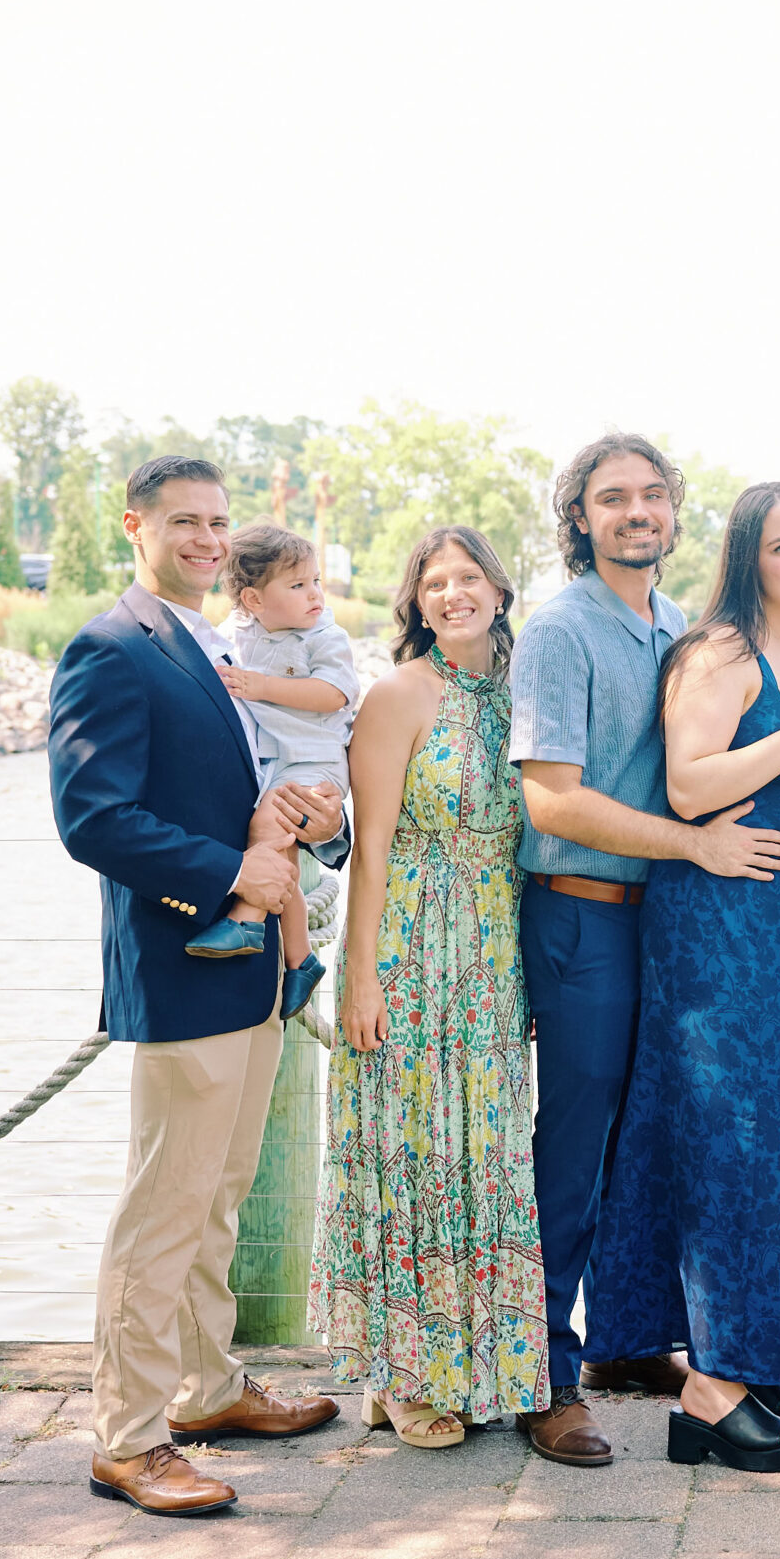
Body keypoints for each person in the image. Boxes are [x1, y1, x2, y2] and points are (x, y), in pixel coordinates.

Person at [48, 455, 343, 1518]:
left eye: (219, 522)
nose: (209, 539)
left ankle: (208, 1387)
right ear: (137, 525)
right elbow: (93, 816)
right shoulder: (110, 647)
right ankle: (126, 1439)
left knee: (216, 1198)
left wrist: (304, 819)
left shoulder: (210, 642)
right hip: (182, 967)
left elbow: (235, 783)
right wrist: (231, 872)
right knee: (163, 1210)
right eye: (186, 521)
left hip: (252, 971)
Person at [508, 434, 780, 1466]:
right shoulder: (558, 630)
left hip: (667, 925)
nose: (635, 511)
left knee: (653, 1141)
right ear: (578, 518)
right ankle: (542, 1378)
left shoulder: (679, 627)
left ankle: (625, 1344)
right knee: (573, 1152)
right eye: (610, 498)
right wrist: (693, 842)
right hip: (583, 915)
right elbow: (551, 796)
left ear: (675, 511)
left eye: (651, 495)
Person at [589, 483, 780, 1471]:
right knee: (727, 1137)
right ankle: (710, 1385)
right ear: (748, 559)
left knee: (769, 1133)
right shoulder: (721, 652)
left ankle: (749, 1363)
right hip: (716, 919)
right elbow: (690, 782)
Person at [307, 526, 549, 1449]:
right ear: (415, 600)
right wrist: (359, 976)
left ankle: (472, 1363)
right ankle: (402, 1373)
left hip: (494, 949)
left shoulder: (526, 689)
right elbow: (367, 852)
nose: (454, 593)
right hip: (410, 941)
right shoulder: (398, 694)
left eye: (469, 576)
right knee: (412, 1153)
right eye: (435, 582)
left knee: (480, 1156)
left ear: (498, 585)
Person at [185, 521, 357, 1022]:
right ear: (254, 600)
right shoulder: (235, 635)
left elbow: (334, 695)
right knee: (275, 854)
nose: (315, 595)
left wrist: (260, 686)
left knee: (266, 829)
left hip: (313, 760)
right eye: (298, 585)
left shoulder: (325, 636)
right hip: (271, 763)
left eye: (317, 581)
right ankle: (300, 959)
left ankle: (247, 918)